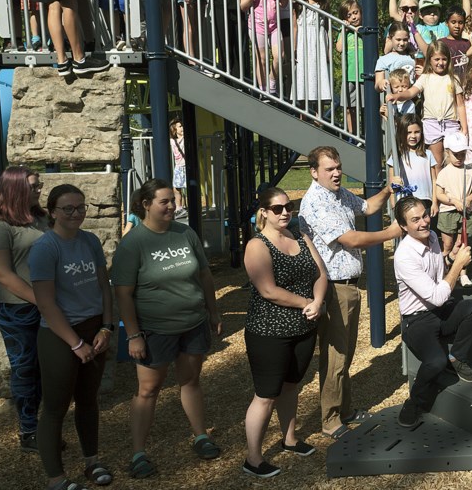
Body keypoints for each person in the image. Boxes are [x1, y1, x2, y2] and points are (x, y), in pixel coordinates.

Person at [112, 179, 222, 478]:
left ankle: (200, 436)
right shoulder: (133, 243)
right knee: (148, 389)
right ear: (145, 205)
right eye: (164, 201)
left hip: (193, 323)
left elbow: (204, 275)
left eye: (173, 200)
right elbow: (122, 293)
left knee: (191, 380)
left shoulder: (185, 233)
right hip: (155, 329)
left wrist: (212, 312)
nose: (172, 206)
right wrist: (133, 335)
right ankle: (138, 452)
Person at [297, 146, 402, 440]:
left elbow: (366, 208)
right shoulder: (315, 203)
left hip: (349, 284)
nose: (336, 173)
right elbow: (351, 238)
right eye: (329, 169)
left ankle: (345, 410)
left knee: (346, 353)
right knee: (335, 356)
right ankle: (330, 420)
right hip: (332, 287)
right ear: (314, 172)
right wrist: (391, 233)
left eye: (338, 167)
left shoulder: (339, 194)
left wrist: (386, 191)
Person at [29, 184, 114, 490]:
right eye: (68, 209)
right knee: (55, 407)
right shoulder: (45, 248)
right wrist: (76, 344)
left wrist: (107, 327)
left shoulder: (90, 240)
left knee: (89, 400)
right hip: (60, 335)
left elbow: (104, 287)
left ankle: (92, 462)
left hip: (95, 329)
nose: (76, 213)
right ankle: (57, 478)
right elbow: (46, 303)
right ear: (52, 212)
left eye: (81, 207)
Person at [241, 188, 329, 478]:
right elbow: (268, 290)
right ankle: (253, 458)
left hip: (304, 326)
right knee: (266, 395)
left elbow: (320, 274)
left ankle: (289, 439)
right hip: (269, 330)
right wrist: (308, 303)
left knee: (292, 384)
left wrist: (317, 301)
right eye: (276, 208)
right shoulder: (257, 245)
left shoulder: (299, 236)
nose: (284, 212)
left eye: (288, 206)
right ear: (264, 212)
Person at [393, 196, 472, 427]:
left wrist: (452, 259)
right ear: (404, 227)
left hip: (440, 311)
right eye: (415, 220)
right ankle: (414, 403)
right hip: (416, 321)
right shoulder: (405, 256)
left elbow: (439, 279)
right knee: (434, 361)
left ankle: (457, 356)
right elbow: (435, 295)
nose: (424, 222)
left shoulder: (433, 237)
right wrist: (457, 267)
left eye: (425, 215)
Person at [0, 167, 50, 453]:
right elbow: (3, 274)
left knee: (48, 368)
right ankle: (29, 430)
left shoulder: (42, 219)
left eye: (39, 185)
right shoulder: (0, 225)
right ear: (16, 189)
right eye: (34, 186)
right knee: (25, 369)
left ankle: (47, 426)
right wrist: (41, 300)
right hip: (18, 310)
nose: (39, 189)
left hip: (49, 304)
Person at [386, 41, 468, 168]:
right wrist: (397, 96)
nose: (440, 63)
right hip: (432, 123)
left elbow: (460, 105)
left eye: (444, 59)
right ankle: (437, 187)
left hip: (450, 123)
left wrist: (464, 127)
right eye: (436, 59)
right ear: (430, 60)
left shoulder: (453, 78)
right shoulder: (425, 77)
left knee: (453, 160)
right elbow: (411, 92)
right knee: (437, 162)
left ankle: (450, 187)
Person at [434, 132, 472, 284]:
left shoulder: (471, 171)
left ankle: (463, 273)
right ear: (448, 152)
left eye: (463, 154)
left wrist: (469, 199)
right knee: (447, 244)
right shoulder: (444, 172)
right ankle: (444, 271)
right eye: (456, 154)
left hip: (466, 212)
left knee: (463, 243)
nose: (460, 157)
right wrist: (454, 201)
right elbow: (439, 194)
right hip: (448, 212)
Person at [237, 0, 285, 90]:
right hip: (258, 26)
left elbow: (283, 4)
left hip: (274, 25)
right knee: (262, 59)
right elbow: (243, 6)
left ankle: (271, 83)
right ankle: (263, 89)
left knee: (279, 57)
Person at [292, 0, 332, 115]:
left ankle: (319, 118)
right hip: (303, 45)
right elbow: (295, 27)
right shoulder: (298, 4)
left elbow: (327, 28)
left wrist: (328, 50)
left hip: (319, 45)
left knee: (320, 78)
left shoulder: (324, 4)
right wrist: (294, 49)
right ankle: (303, 117)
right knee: (303, 79)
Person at [387, 114, 437, 215]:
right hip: (405, 200)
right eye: (408, 132)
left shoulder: (428, 154)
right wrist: (393, 202)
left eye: (417, 132)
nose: (413, 136)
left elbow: (434, 180)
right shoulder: (397, 155)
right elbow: (391, 180)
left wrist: (435, 203)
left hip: (425, 200)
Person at [336, 0, 364, 135]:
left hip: (364, 75)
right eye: (349, 15)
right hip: (350, 76)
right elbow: (339, 48)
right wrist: (344, 29)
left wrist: (361, 32)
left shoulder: (366, 30)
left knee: (365, 107)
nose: (353, 17)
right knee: (349, 107)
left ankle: (365, 135)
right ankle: (352, 134)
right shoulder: (345, 32)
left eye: (356, 12)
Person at [375, 21, 418, 93]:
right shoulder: (384, 60)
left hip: (414, 99)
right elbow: (377, 85)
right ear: (390, 38)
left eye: (405, 40)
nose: (402, 43)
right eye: (398, 39)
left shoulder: (413, 56)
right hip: (395, 100)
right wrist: (381, 83)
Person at [169, 117, 187, 217]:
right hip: (178, 166)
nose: (182, 128)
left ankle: (187, 207)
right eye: (180, 126)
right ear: (175, 129)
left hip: (185, 166)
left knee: (187, 187)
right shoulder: (173, 141)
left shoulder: (185, 139)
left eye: (182, 126)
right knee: (176, 189)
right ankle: (179, 208)